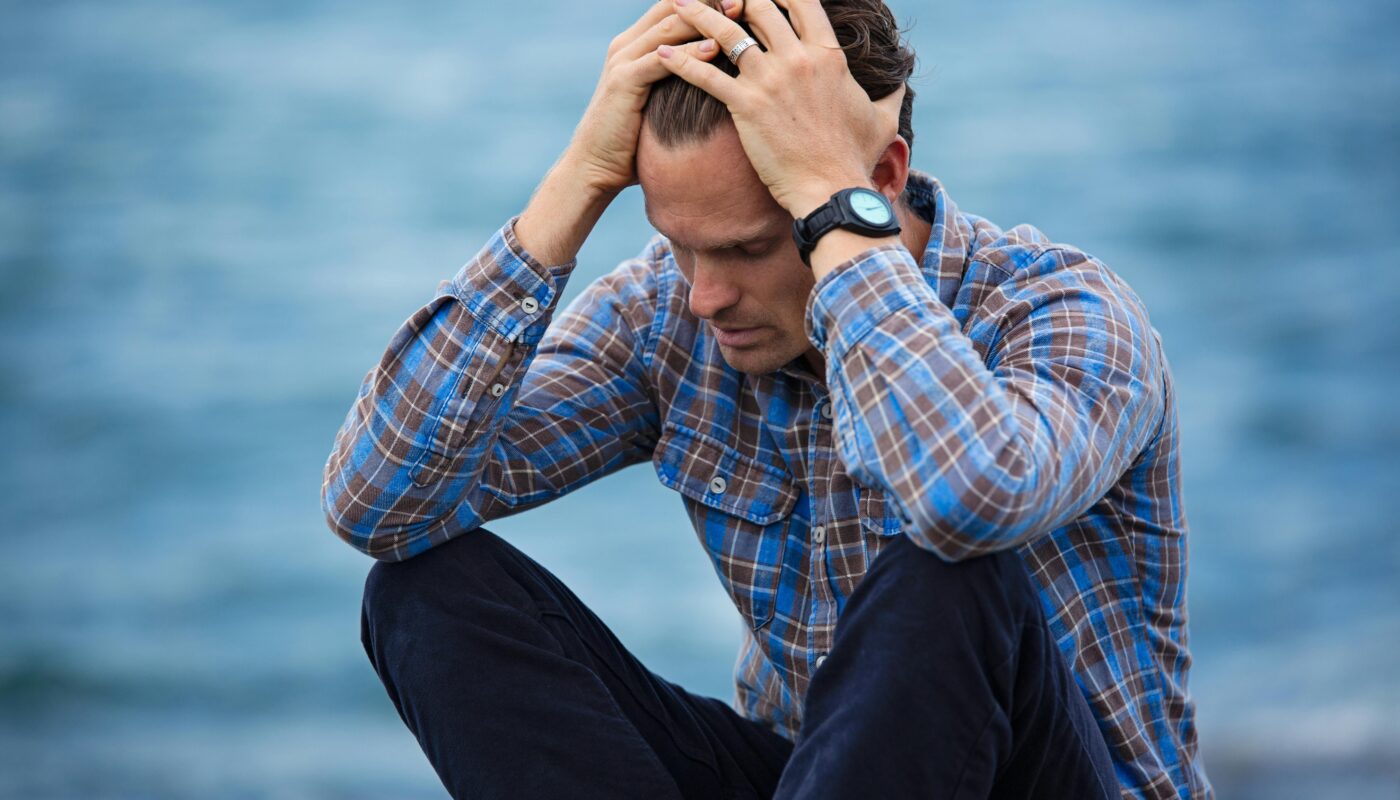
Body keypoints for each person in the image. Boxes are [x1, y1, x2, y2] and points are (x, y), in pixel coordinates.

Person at [321, 0, 1213, 796]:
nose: (704, 295)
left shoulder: (1064, 313)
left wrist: (832, 205)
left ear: (881, 177)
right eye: (679, 245)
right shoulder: (668, 316)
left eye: (747, 249)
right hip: (813, 773)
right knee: (424, 593)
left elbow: (966, 497)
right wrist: (577, 182)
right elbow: (378, 505)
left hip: (1051, 781)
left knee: (947, 569)